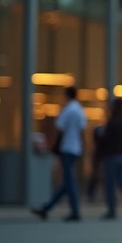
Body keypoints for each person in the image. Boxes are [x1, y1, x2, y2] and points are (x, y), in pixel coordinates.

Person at [32, 86, 87, 221]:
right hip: (75, 148)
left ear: (67, 96)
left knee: (69, 181)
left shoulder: (67, 110)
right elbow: (82, 131)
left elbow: (59, 129)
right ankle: (47, 208)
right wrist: (83, 147)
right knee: (67, 181)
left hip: (67, 148)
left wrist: (53, 146)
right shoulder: (79, 111)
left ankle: (74, 211)